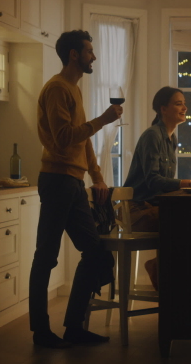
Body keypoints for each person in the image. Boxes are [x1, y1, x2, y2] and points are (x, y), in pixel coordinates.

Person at [29, 30, 124, 348]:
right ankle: (41, 332)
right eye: (89, 51)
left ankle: (73, 327)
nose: (93, 56)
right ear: (74, 54)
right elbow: (64, 138)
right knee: (46, 257)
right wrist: (104, 119)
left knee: (95, 251)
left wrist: (97, 177)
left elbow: (81, 143)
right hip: (57, 180)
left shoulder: (73, 89)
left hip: (72, 181)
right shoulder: (57, 88)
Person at [123, 87, 191, 290]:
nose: (185, 107)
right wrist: (188, 183)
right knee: (184, 221)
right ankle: (165, 280)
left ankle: (167, 276)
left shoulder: (171, 139)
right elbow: (154, 181)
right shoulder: (152, 136)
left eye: (184, 103)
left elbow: (164, 186)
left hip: (154, 206)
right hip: (137, 211)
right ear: (163, 108)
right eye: (178, 103)